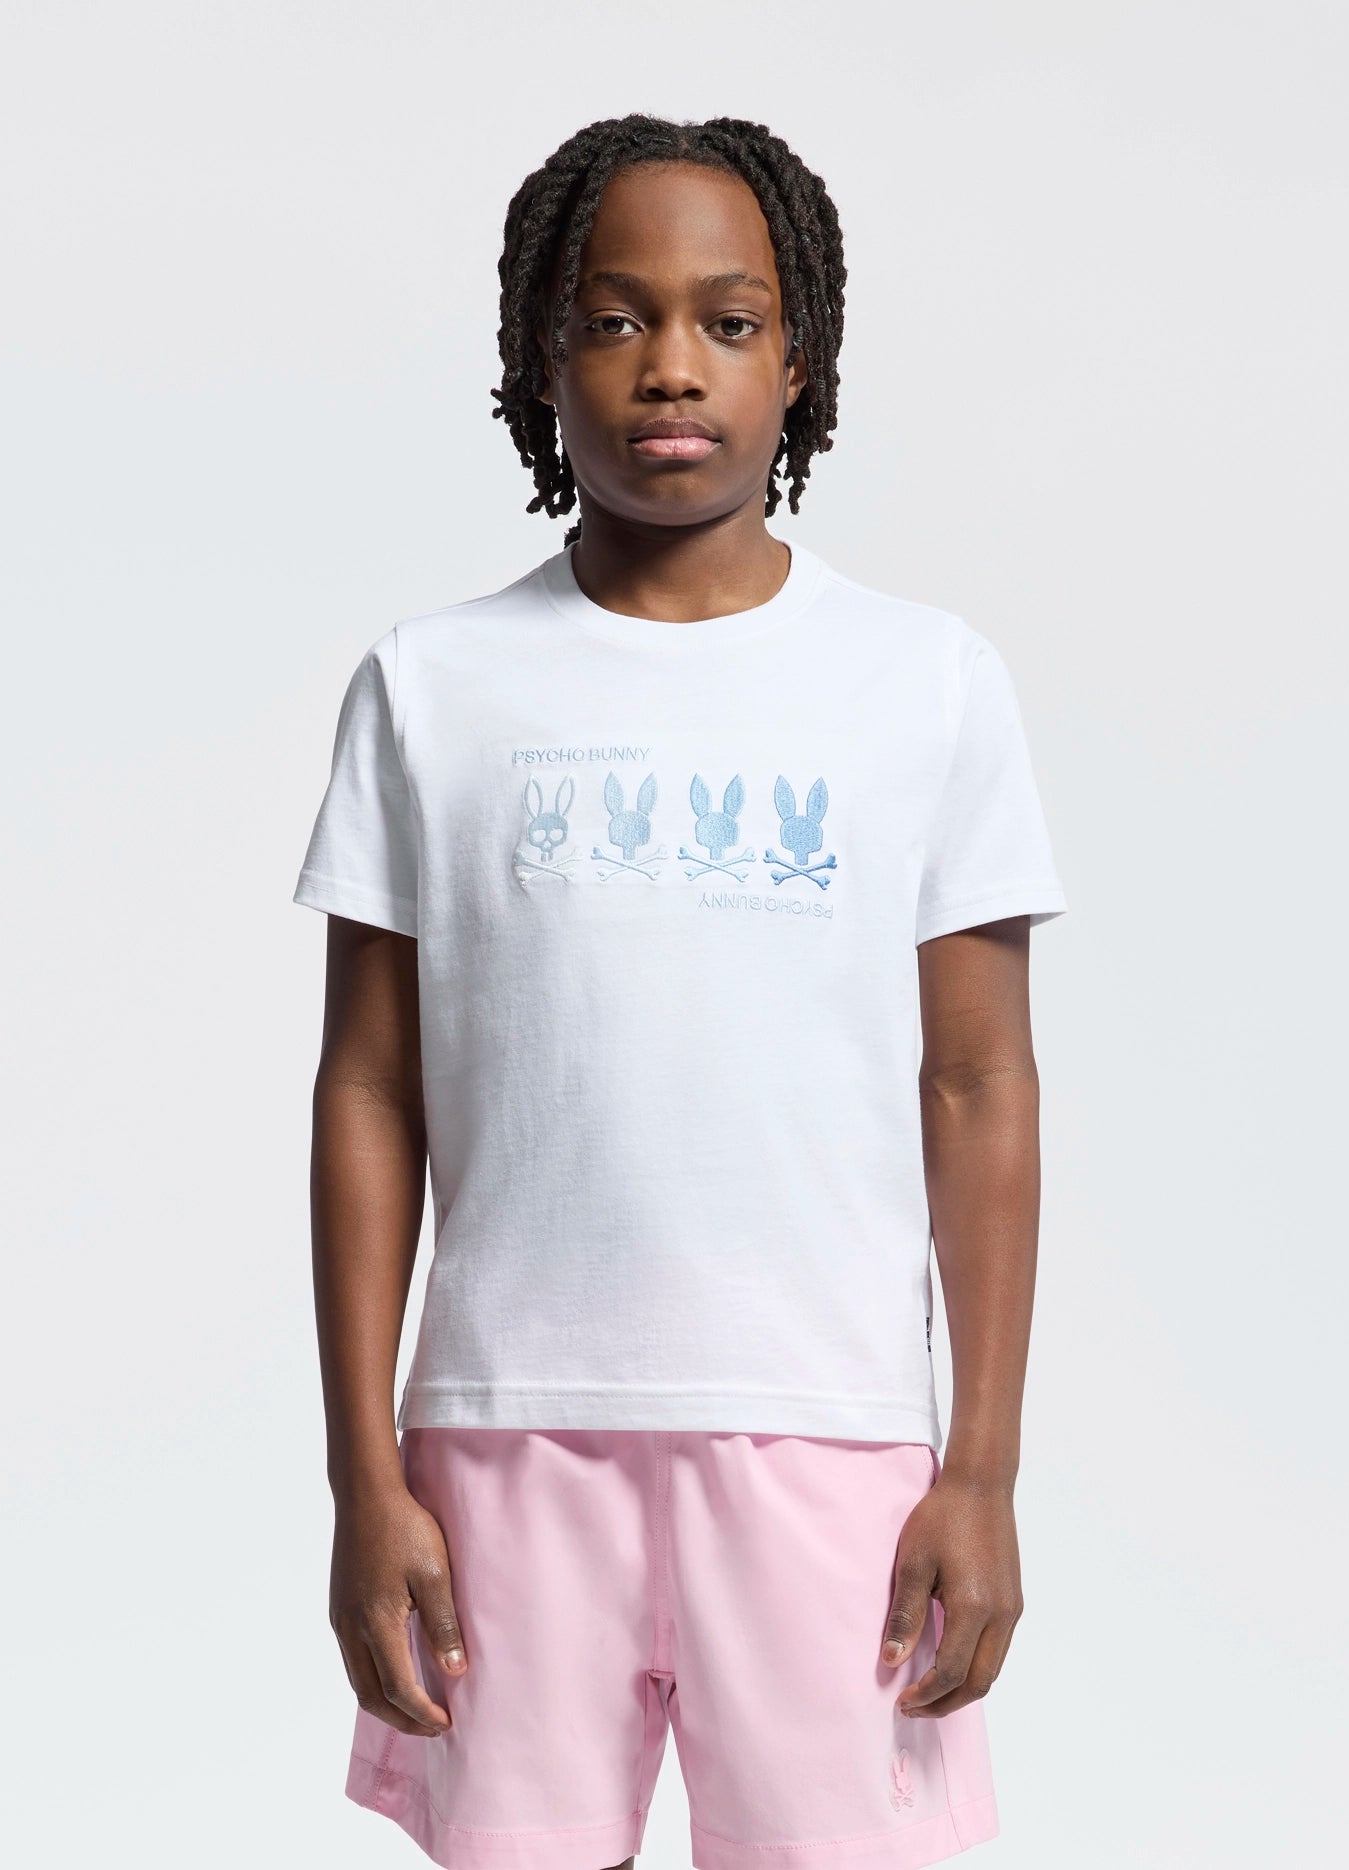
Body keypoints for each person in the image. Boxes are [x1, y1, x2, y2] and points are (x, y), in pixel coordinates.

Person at [293, 112, 1066, 1870]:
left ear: (801, 360)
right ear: (537, 355)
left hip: (829, 1443)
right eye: (614, 317)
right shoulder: (433, 686)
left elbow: (980, 1084)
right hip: (503, 1446)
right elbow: (369, 1089)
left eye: (729, 321)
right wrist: (364, 1474)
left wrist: (983, 1466)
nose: (671, 366)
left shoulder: (926, 683)